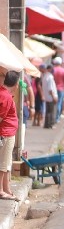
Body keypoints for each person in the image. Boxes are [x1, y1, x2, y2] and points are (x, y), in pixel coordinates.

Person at [0, 66, 19, 201]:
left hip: (8, 133)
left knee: (6, 164)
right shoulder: (6, 96)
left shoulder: (3, 93)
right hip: (5, 133)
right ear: (16, 84)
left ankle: (6, 188)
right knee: (3, 164)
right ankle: (1, 191)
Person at [40, 64, 58, 129]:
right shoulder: (50, 77)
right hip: (50, 97)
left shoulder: (45, 76)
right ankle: (50, 124)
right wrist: (54, 97)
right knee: (51, 111)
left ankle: (46, 125)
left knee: (48, 111)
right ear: (50, 69)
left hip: (47, 96)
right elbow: (50, 89)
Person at [51, 57, 64, 122]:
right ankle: (57, 118)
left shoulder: (52, 70)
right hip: (61, 89)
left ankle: (52, 117)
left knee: (53, 103)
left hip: (53, 89)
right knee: (59, 103)